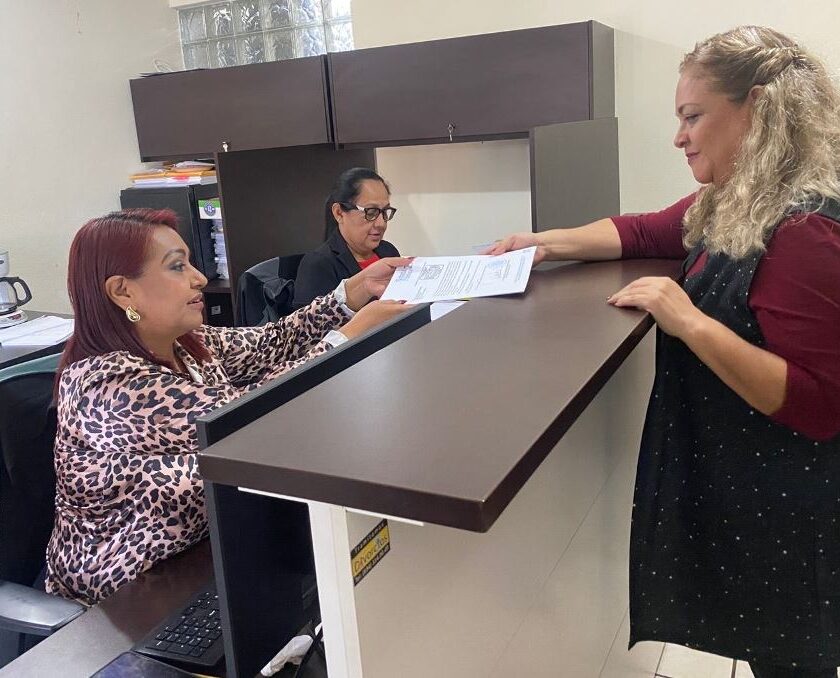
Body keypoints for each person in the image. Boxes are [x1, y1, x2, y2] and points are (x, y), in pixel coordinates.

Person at [489, 26, 840, 678]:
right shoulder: (737, 199)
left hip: (790, 509)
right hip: (754, 490)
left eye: (693, 116)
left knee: (791, 660)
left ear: (758, 109)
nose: (679, 137)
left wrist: (690, 322)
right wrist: (542, 243)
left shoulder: (803, 228)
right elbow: (643, 231)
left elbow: (819, 405)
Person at [46, 208, 410, 605]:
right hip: (127, 590)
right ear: (123, 291)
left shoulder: (186, 343)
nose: (199, 278)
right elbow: (246, 416)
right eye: (177, 266)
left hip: (209, 545)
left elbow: (271, 343)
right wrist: (348, 336)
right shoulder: (107, 387)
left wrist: (350, 294)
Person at [293, 167, 401, 307]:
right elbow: (309, 321)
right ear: (339, 213)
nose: (381, 223)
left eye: (385, 211)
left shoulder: (388, 251)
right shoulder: (318, 265)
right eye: (371, 212)